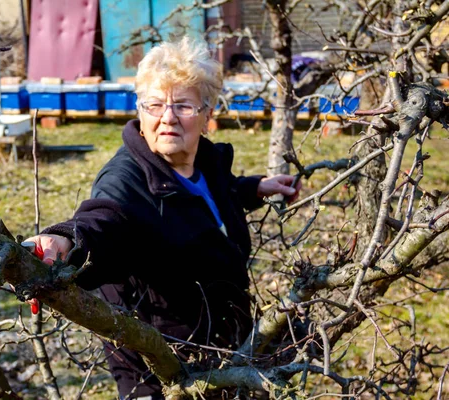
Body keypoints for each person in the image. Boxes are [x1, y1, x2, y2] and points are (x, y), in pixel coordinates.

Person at [26, 36, 301, 400]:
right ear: (140, 112)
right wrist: (62, 240)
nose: (168, 117)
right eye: (154, 105)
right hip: (162, 370)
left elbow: (210, 200)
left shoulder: (205, 163)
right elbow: (102, 223)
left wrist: (254, 189)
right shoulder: (125, 181)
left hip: (225, 348)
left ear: (207, 114)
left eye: (183, 106)